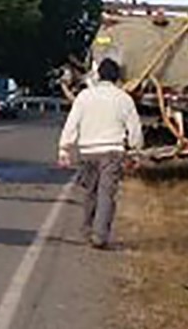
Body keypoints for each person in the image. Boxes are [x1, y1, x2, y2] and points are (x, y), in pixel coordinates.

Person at [57, 58, 143, 249]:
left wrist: (64, 148)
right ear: (117, 77)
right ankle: (100, 235)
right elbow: (135, 129)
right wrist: (135, 152)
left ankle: (87, 230)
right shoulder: (124, 99)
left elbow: (72, 123)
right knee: (106, 194)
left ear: (99, 75)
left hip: (88, 152)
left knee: (91, 193)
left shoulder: (84, 97)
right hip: (112, 152)